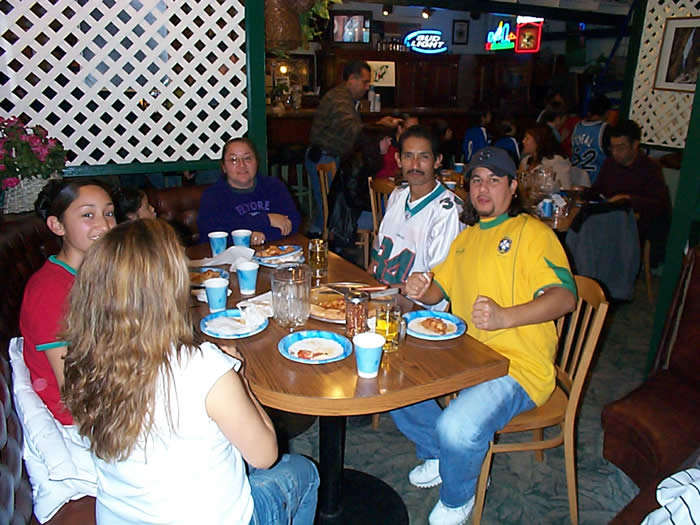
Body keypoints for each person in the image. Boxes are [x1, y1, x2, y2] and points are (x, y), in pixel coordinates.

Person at [61, 219, 319, 524]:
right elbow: (265, 456)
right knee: (303, 472)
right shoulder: (205, 369)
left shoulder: (82, 360)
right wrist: (236, 375)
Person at [394, 146, 577, 525]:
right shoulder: (467, 239)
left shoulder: (532, 233)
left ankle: (460, 496)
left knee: (457, 426)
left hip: (518, 367)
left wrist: (506, 316)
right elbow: (439, 291)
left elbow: (565, 298)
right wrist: (422, 286)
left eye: (494, 180)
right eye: (477, 179)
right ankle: (442, 455)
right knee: (391, 374)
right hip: (467, 358)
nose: (483, 188)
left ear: (513, 187)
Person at [19, 179, 116, 425]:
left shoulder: (95, 274)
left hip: (111, 392)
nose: (105, 225)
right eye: (88, 215)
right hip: (84, 419)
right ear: (57, 225)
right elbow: (75, 392)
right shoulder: (50, 291)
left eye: (108, 213)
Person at [368, 125, 464, 300]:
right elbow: (376, 259)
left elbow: (438, 287)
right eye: (408, 156)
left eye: (424, 157)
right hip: (382, 297)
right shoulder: (397, 195)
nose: (415, 165)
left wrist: (376, 293)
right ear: (398, 159)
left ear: (437, 161)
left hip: (416, 307)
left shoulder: (448, 212)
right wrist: (363, 288)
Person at [305, 61, 400, 235]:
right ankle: (325, 242)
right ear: (351, 79)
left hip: (327, 155)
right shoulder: (340, 99)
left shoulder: (343, 97)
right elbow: (353, 130)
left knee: (328, 207)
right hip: (325, 156)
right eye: (365, 82)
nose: (367, 87)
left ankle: (320, 236)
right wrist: (379, 125)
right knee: (332, 209)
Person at [587, 119, 671, 266]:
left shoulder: (649, 168)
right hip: (611, 218)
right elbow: (597, 190)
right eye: (612, 147)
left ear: (635, 144)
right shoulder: (610, 164)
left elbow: (658, 204)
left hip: (636, 224)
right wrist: (581, 193)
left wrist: (628, 199)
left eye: (620, 147)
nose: (615, 152)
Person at [198, 137, 301, 246]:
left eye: (247, 158)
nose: (242, 165)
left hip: (273, 252)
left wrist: (264, 236)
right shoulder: (213, 196)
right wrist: (267, 219)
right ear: (224, 167)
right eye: (233, 160)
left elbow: (293, 222)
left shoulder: (274, 186)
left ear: (256, 162)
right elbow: (213, 234)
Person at [327, 124, 394, 252]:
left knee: (389, 206)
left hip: (349, 212)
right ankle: (385, 253)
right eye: (386, 139)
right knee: (391, 218)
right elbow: (353, 198)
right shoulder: (357, 163)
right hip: (348, 216)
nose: (389, 143)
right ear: (375, 142)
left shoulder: (364, 158)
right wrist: (374, 205)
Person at [520, 123, 590, 189]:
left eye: (527, 138)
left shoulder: (557, 162)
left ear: (538, 141)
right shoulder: (525, 161)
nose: (523, 141)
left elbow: (564, 188)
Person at [570, 93, 611, 185]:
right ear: (607, 112)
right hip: (595, 182)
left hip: (575, 181)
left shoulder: (577, 127)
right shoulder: (605, 129)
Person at [376, 113, 419, 179]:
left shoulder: (418, 146)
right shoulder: (387, 148)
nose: (415, 133)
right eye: (411, 129)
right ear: (400, 128)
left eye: (417, 129)